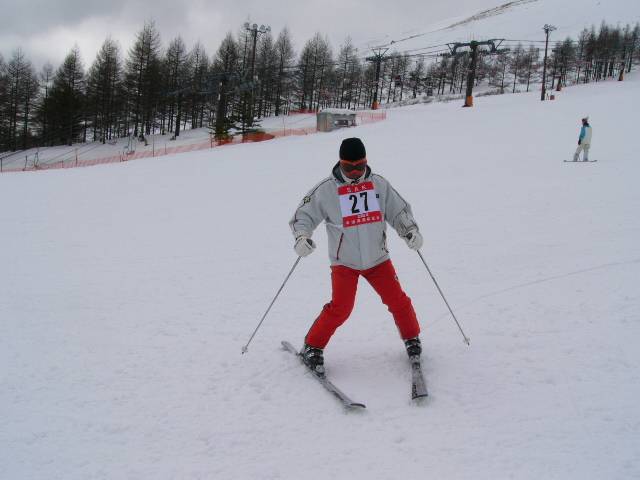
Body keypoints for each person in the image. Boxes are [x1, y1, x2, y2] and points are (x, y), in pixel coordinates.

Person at [289, 137, 423, 375]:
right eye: (348, 168)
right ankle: (312, 346)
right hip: (345, 262)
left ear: (366, 162)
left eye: (359, 167)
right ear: (340, 163)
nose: (354, 173)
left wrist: (409, 231)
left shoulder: (379, 185)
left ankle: (412, 338)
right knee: (341, 308)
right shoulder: (326, 190)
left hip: (378, 259)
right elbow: (304, 216)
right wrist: (302, 237)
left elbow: (398, 211)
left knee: (398, 301)